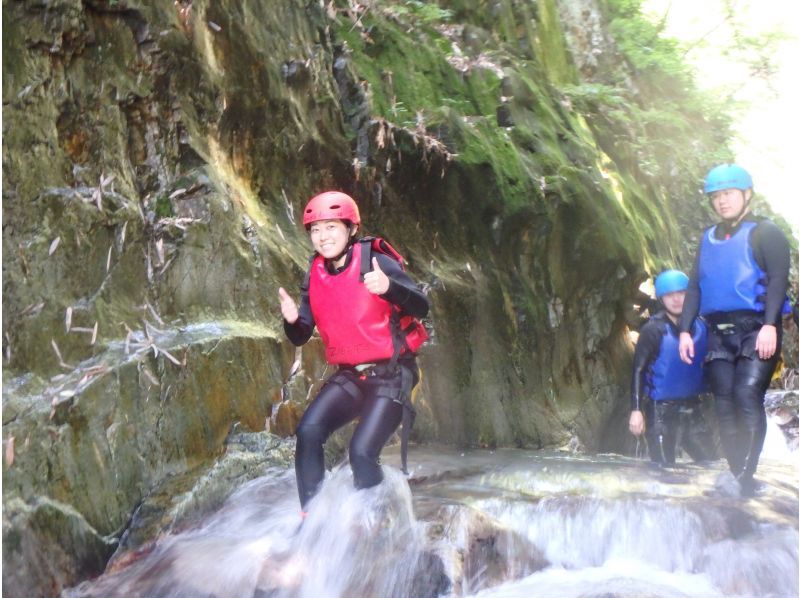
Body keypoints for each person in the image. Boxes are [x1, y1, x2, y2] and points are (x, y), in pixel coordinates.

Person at [278, 191, 430, 513]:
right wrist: (291, 321)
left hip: (393, 373)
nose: (323, 236)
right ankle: (313, 521)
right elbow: (301, 334)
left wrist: (390, 288)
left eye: (331, 227)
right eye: (316, 230)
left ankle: (376, 521)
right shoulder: (315, 273)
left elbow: (422, 306)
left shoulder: (375, 261)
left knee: (361, 452)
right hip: (351, 375)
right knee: (308, 431)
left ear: (350, 229)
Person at [678, 164, 791, 495]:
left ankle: (746, 476)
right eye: (716, 196)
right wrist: (685, 329)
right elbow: (695, 287)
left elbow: (777, 281)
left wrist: (771, 325)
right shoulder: (707, 239)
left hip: (756, 328)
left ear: (746, 195)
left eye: (728, 194)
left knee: (745, 394)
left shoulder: (765, 232)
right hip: (718, 332)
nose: (722, 201)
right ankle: (737, 474)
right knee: (723, 402)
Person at [629, 270, 713, 466]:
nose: (676, 299)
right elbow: (638, 370)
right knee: (664, 471)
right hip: (660, 413)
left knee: (711, 466)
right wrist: (636, 410)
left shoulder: (702, 326)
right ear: (661, 298)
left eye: (681, 293)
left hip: (693, 408)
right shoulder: (652, 330)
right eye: (669, 295)